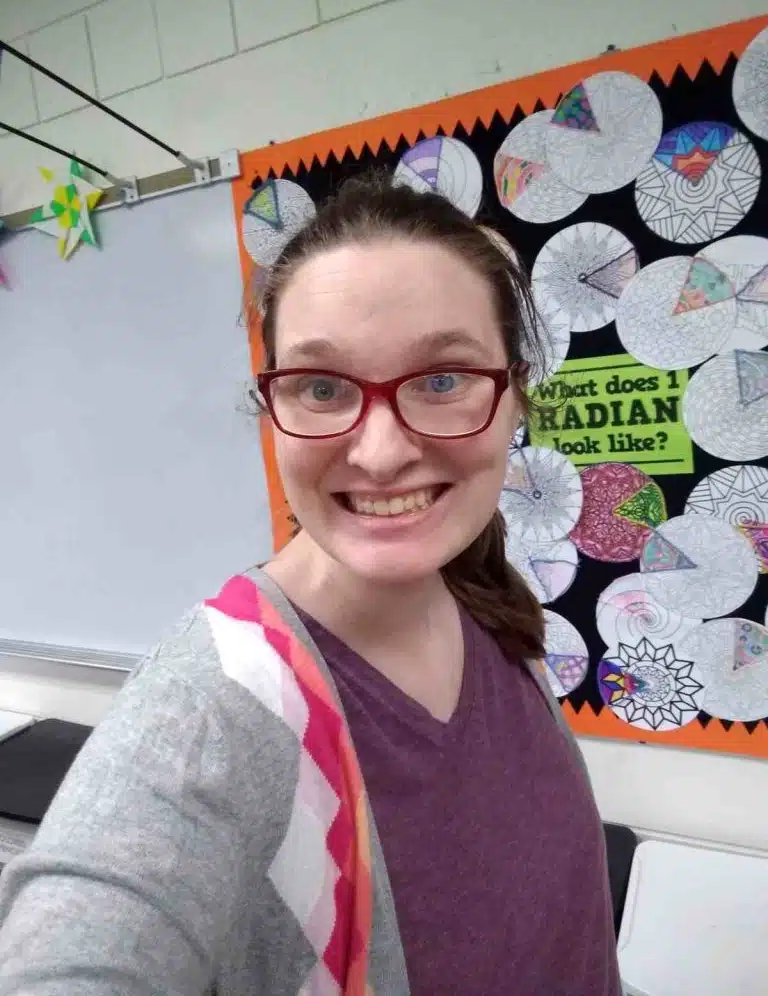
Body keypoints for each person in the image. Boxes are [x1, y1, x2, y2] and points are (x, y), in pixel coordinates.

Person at [0, 175, 621, 995]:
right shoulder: (220, 703)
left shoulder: (482, 593)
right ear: (271, 406)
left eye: (442, 379)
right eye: (323, 388)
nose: (380, 452)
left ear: (514, 396)